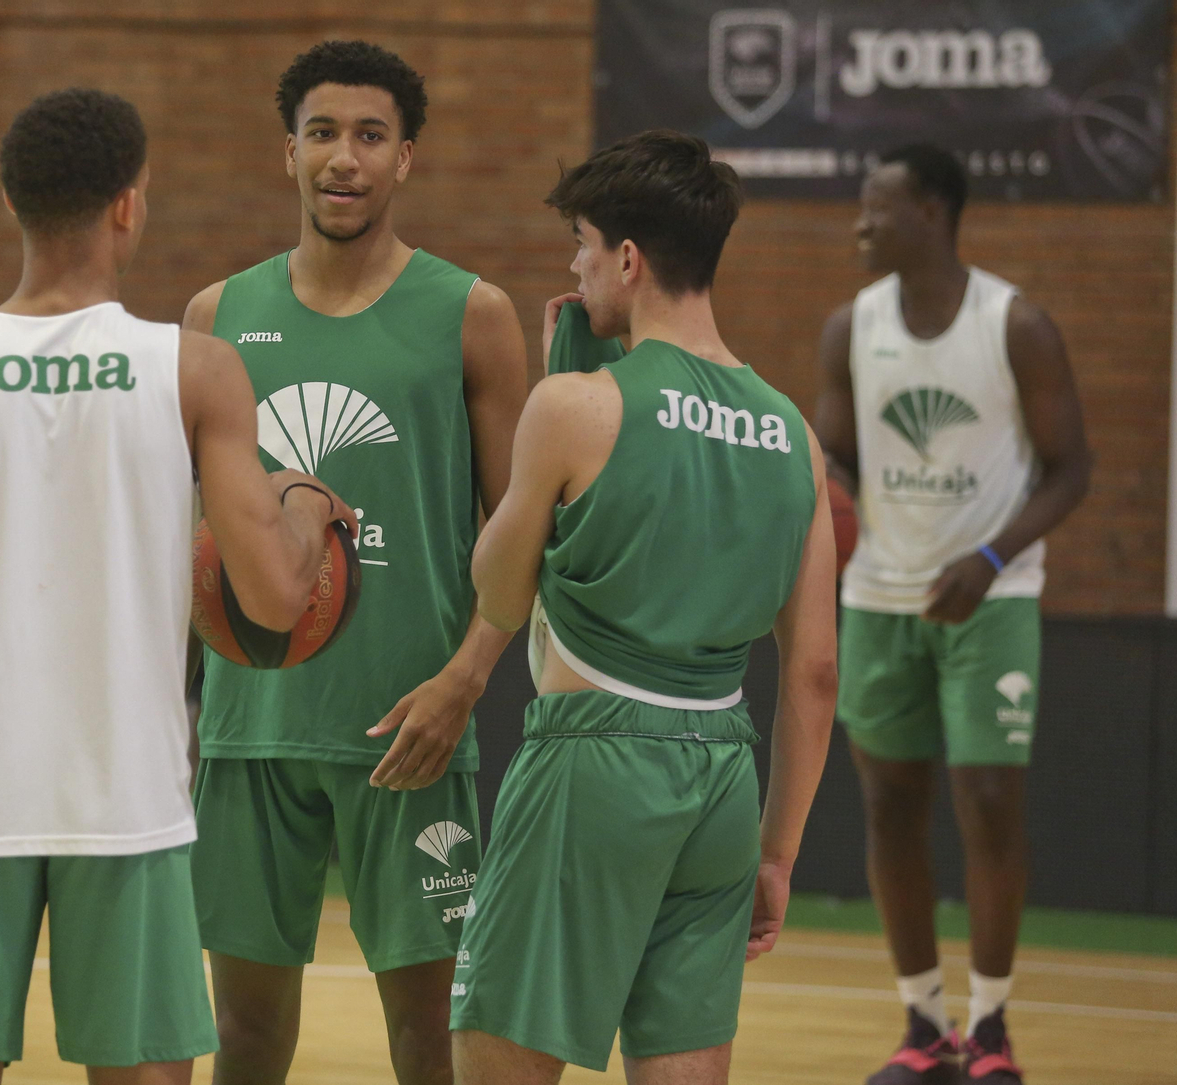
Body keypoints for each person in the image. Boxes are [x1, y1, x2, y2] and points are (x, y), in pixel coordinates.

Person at [0, 88, 355, 1085]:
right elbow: (275, 597)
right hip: (125, 801)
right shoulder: (194, 370)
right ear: (129, 205)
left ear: (9, 201)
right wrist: (303, 508)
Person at [450, 129, 839, 1085]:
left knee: (498, 1051)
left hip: (593, 761)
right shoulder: (794, 434)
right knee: (686, 1062)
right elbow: (816, 670)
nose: (576, 268)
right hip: (722, 774)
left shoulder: (577, 405)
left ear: (628, 258)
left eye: (582, 246)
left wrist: (556, 390)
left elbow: (496, 584)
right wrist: (777, 852)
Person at [180, 39, 528, 1085]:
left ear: (406, 158)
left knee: (430, 1038)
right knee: (241, 1036)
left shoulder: (472, 314)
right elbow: (193, 541)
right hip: (253, 730)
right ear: (287, 153)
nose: (344, 157)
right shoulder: (214, 318)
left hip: (410, 729)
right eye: (321, 133)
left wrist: (466, 681)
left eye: (369, 136)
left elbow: (524, 531)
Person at [814, 144, 1092, 1085]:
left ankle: (994, 1028)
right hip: (881, 598)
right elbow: (837, 453)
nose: (859, 222)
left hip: (991, 596)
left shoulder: (1015, 324)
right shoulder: (849, 326)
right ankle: (923, 1025)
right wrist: (838, 494)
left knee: (986, 802)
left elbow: (1072, 469)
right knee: (891, 804)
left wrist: (989, 555)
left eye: (875, 206)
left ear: (930, 212)